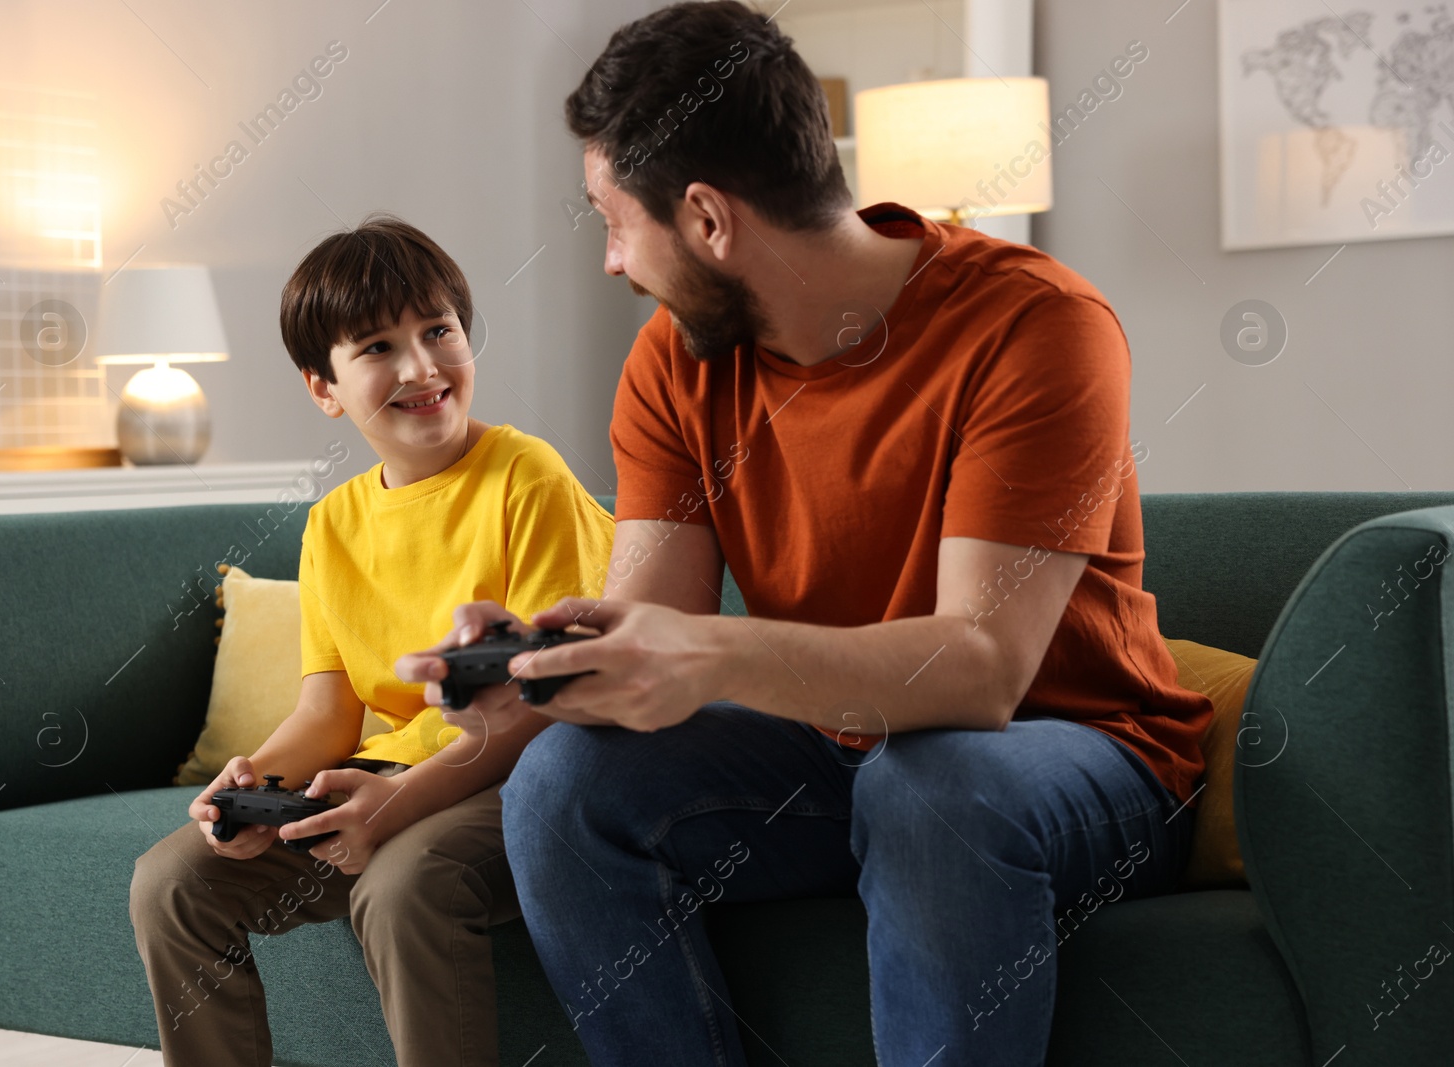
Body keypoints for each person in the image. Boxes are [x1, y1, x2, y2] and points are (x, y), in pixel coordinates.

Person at [394, 4, 1215, 1065]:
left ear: (705, 219)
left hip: (1078, 761)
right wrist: (552, 667)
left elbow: (980, 670)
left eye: (612, 220)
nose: (609, 262)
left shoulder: (1036, 326)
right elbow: (653, 624)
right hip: (843, 752)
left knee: (930, 781)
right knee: (563, 783)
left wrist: (714, 656)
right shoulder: (674, 360)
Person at [129, 213, 616, 1067]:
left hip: (523, 774)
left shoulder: (526, 476)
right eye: (379, 347)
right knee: (170, 882)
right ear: (325, 386)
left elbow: (552, 700)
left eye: (439, 331)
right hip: (388, 777)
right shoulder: (333, 523)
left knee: (403, 885)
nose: (422, 367)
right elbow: (328, 709)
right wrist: (257, 780)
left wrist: (395, 804)